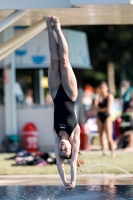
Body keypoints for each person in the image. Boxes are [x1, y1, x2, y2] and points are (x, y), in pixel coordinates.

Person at [46, 16, 80, 189]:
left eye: (60, 150)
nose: (62, 147)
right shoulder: (75, 134)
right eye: (65, 149)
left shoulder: (55, 135)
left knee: (53, 60)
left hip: (54, 94)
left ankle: (49, 29)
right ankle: (58, 28)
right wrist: (71, 181)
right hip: (69, 94)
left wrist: (62, 181)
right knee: (64, 61)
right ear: (71, 148)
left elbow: (59, 163)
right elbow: (71, 163)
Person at [93, 81, 115, 157]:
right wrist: (96, 97)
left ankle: (113, 152)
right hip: (99, 117)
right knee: (101, 136)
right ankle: (104, 153)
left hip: (107, 117)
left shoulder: (109, 96)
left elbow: (108, 109)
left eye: (103, 87)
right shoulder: (99, 97)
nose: (101, 89)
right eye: (100, 88)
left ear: (107, 88)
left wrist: (98, 109)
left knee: (109, 136)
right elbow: (94, 108)